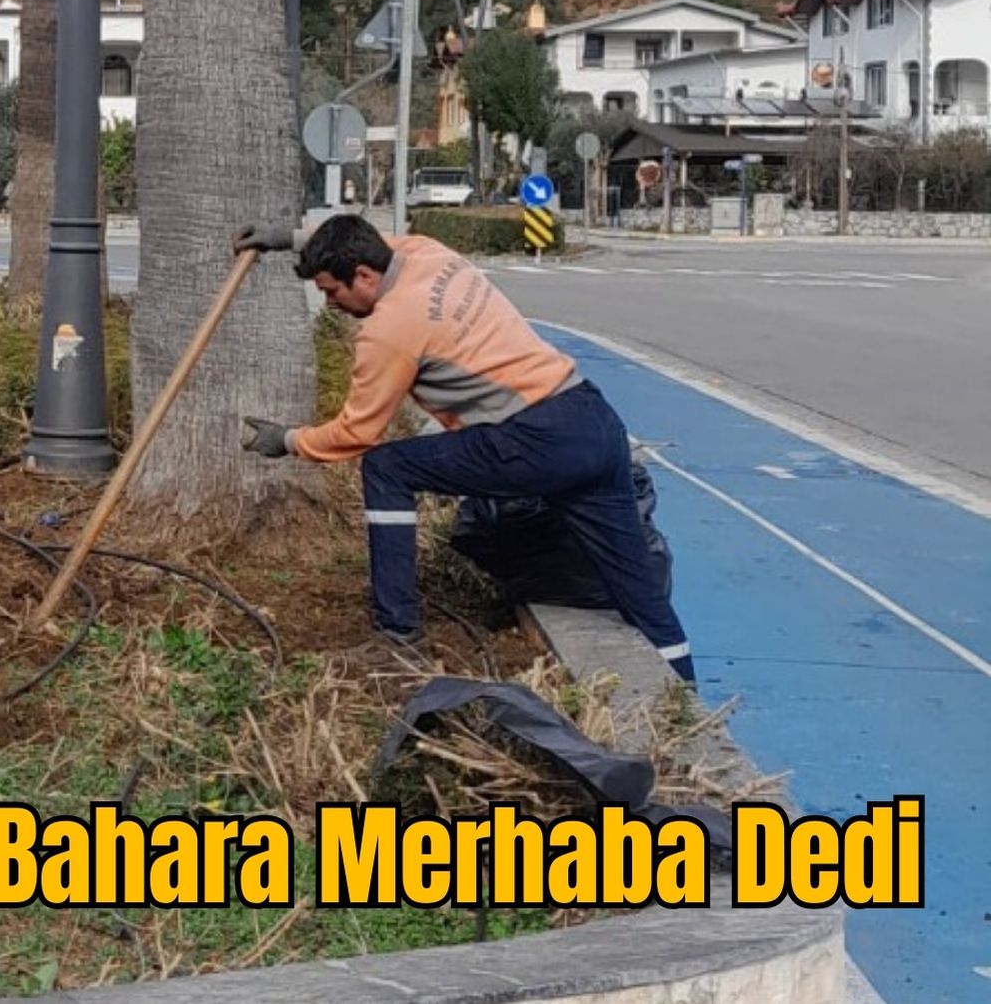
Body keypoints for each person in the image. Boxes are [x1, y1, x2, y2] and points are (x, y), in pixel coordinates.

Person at [234, 215, 695, 684]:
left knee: (386, 468)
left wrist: (288, 440)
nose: (330, 304)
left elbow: (358, 432)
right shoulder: (427, 254)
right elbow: (369, 239)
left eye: (333, 291)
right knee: (638, 588)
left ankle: (398, 633)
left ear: (365, 277)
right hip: (592, 419)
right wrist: (287, 240)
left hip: (535, 439)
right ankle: (685, 692)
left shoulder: (389, 329)